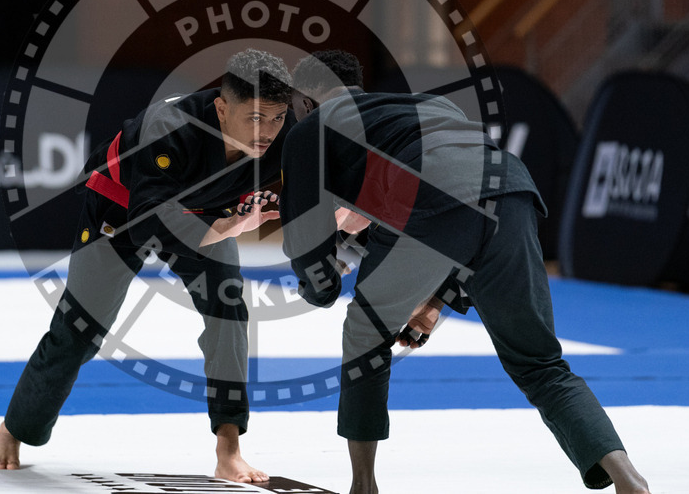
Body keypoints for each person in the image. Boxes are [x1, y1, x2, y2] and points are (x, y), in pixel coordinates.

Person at [278, 50, 651, 494]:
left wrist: (318, 287)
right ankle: (628, 478)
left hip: (428, 189)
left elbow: (304, 233)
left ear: (303, 101)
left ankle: (363, 484)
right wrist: (435, 302)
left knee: (365, 334)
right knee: (540, 363)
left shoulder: (308, 130)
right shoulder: (425, 105)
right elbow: (463, 215)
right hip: (511, 188)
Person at [0, 48, 295, 483]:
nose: (267, 132)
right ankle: (16, 428)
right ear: (222, 108)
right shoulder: (169, 130)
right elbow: (151, 219)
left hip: (208, 213)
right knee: (79, 331)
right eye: (256, 118)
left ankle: (229, 448)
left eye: (277, 117)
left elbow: (320, 192)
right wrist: (226, 229)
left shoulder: (287, 132)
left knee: (229, 312)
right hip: (122, 209)